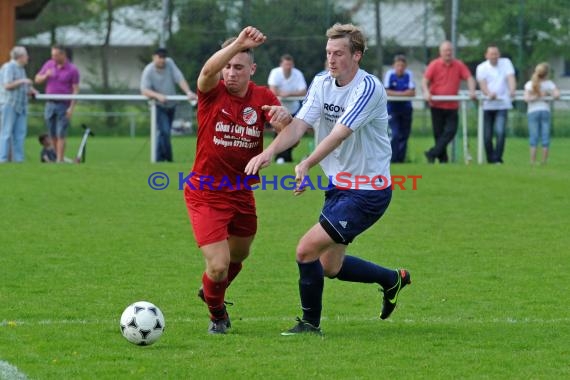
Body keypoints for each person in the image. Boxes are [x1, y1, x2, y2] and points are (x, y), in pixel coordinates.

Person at [245, 23, 411, 335]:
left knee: (305, 250)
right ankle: (392, 279)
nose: (331, 59)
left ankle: (310, 325)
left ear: (357, 55)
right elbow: (298, 125)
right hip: (340, 187)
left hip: (367, 191)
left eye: (338, 53)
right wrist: (270, 153)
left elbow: (339, 133)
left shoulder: (368, 88)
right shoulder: (322, 83)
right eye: (328, 53)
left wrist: (306, 163)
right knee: (329, 267)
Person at [184, 27, 291, 334]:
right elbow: (207, 70)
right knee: (218, 265)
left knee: (239, 255)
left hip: (242, 193)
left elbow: (287, 134)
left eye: (238, 67)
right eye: (228, 66)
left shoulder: (262, 97)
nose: (231, 73)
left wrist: (284, 126)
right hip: (205, 193)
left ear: (252, 70)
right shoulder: (211, 92)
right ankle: (217, 314)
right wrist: (238, 44)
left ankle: (211, 290)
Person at [422, 41, 476, 163]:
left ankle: (432, 153)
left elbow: (469, 78)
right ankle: (443, 160)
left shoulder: (458, 65)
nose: (448, 53)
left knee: (450, 131)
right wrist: (426, 92)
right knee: (438, 134)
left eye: (450, 50)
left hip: (452, 106)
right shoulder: (434, 65)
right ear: (440, 52)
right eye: (445, 50)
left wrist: (472, 91)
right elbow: (425, 80)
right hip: (436, 105)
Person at [140, 48, 197, 162]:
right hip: (158, 106)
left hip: (171, 105)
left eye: (163, 57)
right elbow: (144, 90)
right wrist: (158, 96)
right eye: (159, 57)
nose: (162, 60)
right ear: (154, 57)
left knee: (163, 133)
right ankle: (168, 158)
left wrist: (188, 92)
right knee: (164, 131)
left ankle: (158, 159)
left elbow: (179, 78)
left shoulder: (169, 63)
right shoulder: (149, 70)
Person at [34, 45, 80, 163]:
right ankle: (56, 157)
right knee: (52, 133)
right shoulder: (49, 65)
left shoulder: (72, 70)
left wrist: (71, 108)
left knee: (61, 133)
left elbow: (75, 89)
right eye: (52, 55)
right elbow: (37, 79)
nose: (53, 57)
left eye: (55, 55)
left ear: (62, 55)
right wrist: (45, 75)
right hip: (50, 104)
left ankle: (60, 159)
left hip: (63, 105)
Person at [476, 45, 516, 164]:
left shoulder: (506, 63)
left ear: (499, 54)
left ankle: (497, 158)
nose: (494, 56)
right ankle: (490, 158)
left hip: (502, 104)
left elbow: (510, 77)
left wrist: (512, 89)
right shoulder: (481, 67)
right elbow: (482, 84)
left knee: (500, 132)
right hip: (487, 105)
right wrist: (488, 93)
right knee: (487, 135)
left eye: (496, 54)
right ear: (486, 55)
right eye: (491, 54)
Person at [267, 54, 307, 163]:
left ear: (292, 65)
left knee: (291, 134)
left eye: (290, 64)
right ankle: (277, 156)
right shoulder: (275, 73)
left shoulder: (298, 74)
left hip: (293, 109)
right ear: (281, 64)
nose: (288, 67)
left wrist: (288, 93)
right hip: (278, 108)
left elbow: (303, 91)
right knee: (279, 132)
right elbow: (273, 90)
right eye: (286, 64)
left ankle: (286, 157)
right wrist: (282, 94)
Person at [0, 46, 37, 163]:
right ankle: (3, 159)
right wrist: (23, 81)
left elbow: (23, 87)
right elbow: (7, 85)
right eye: (26, 55)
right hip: (9, 105)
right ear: (20, 57)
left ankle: (19, 160)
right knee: (6, 133)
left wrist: (31, 90)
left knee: (20, 134)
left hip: (21, 106)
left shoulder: (22, 69)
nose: (28, 58)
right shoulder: (8, 67)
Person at [523, 63, 560, 165]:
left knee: (533, 136)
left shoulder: (529, 84)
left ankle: (533, 160)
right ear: (547, 73)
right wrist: (546, 95)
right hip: (545, 111)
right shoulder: (549, 84)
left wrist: (535, 96)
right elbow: (557, 95)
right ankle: (544, 161)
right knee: (545, 136)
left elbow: (526, 98)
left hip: (532, 112)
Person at [383, 54, 416, 163]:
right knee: (395, 134)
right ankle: (393, 159)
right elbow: (386, 91)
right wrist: (403, 93)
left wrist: (396, 93)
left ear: (405, 66)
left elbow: (412, 92)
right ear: (394, 66)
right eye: (398, 65)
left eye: (402, 65)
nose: (400, 68)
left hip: (406, 109)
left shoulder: (409, 75)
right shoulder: (389, 75)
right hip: (392, 109)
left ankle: (401, 160)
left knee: (404, 135)